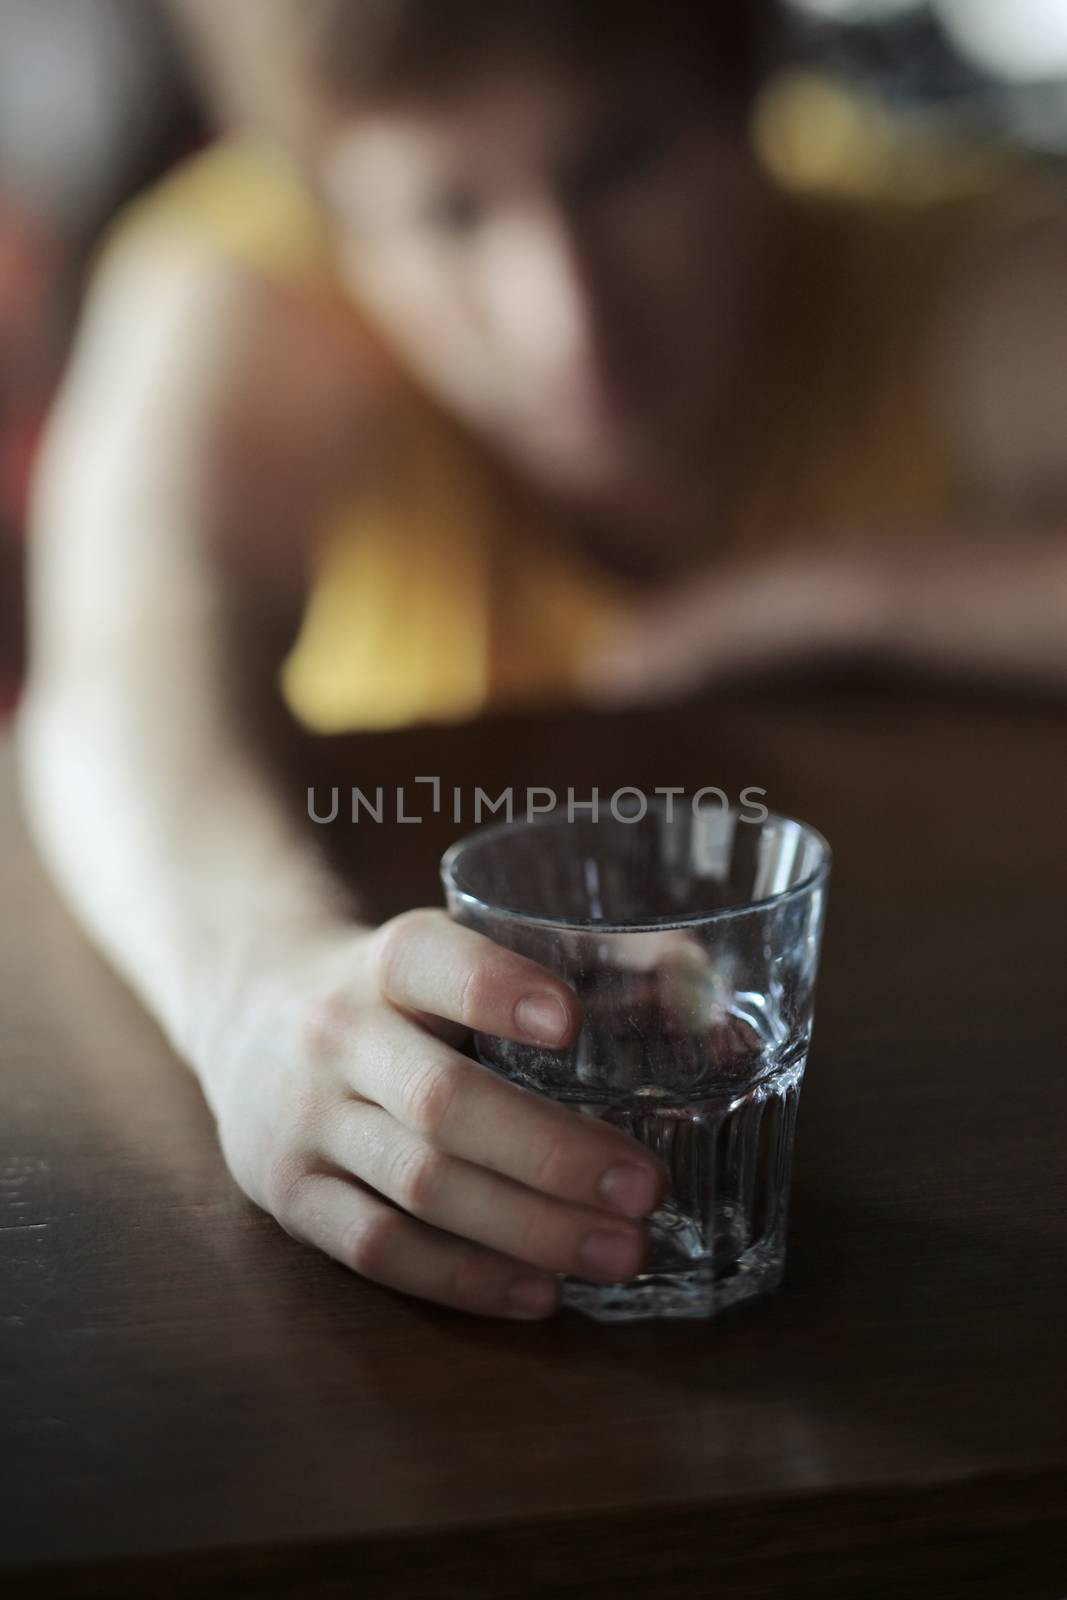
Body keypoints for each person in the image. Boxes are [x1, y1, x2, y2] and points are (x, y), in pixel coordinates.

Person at [15, 0, 1067, 1321]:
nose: (567, 316)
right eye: (447, 214)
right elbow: (111, 672)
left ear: (750, 96)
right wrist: (254, 987)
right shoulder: (255, 279)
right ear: (329, 207)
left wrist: (858, 592)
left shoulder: (949, 268)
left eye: (620, 161)